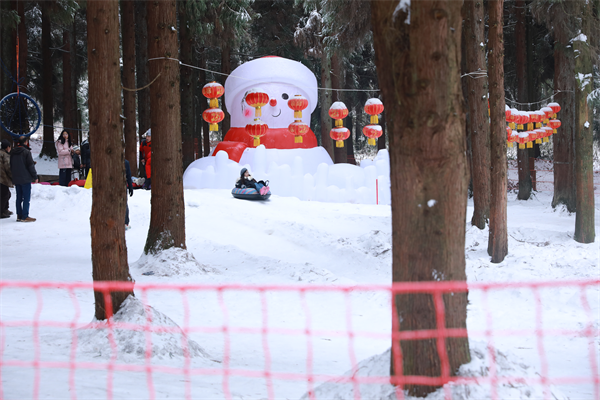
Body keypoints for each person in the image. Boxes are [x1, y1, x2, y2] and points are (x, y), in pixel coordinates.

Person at [10, 136, 38, 222]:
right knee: (26, 198)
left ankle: (19, 215)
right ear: (26, 142)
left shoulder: (12, 152)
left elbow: (11, 165)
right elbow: (30, 165)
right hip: (25, 178)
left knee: (18, 198)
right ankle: (25, 216)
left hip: (16, 177)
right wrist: (35, 176)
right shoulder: (26, 152)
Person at [0, 140, 13, 218]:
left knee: (6, 194)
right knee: (5, 195)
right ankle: (1, 211)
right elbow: (8, 167)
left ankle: (5, 209)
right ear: (7, 147)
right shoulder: (5, 155)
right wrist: (12, 177)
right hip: (2, 178)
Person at [125, 159, 133, 230]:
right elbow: (128, 176)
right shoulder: (126, 162)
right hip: (122, 186)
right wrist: (130, 187)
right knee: (124, 204)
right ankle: (125, 222)